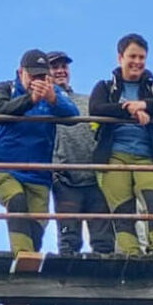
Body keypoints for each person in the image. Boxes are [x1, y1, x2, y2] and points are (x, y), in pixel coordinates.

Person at [89, 33, 153, 256]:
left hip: (147, 155)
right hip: (113, 156)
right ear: (120, 58)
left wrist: (145, 105)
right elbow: (96, 108)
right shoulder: (105, 86)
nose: (137, 62)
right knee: (123, 210)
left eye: (142, 57)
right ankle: (131, 255)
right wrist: (128, 109)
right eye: (132, 56)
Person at [0, 48, 79, 256]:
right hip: (4, 169)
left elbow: (73, 115)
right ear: (21, 72)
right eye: (33, 75)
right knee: (16, 200)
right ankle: (22, 255)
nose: (38, 81)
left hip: (39, 174)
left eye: (42, 76)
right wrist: (31, 99)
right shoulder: (6, 88)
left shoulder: (53, 92)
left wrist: (52, 99)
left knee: (37, 224)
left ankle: (29, 260)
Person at [48, 51, 114, 255]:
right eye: (55, 67)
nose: (61, 71)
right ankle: (68, 273)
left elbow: (104, 133)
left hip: (95, 178)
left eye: (64, 66)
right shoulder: (41, 105)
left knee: (104, 240)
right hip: (64, 178)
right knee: (69, 240)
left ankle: (106, 275)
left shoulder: (88, 101)